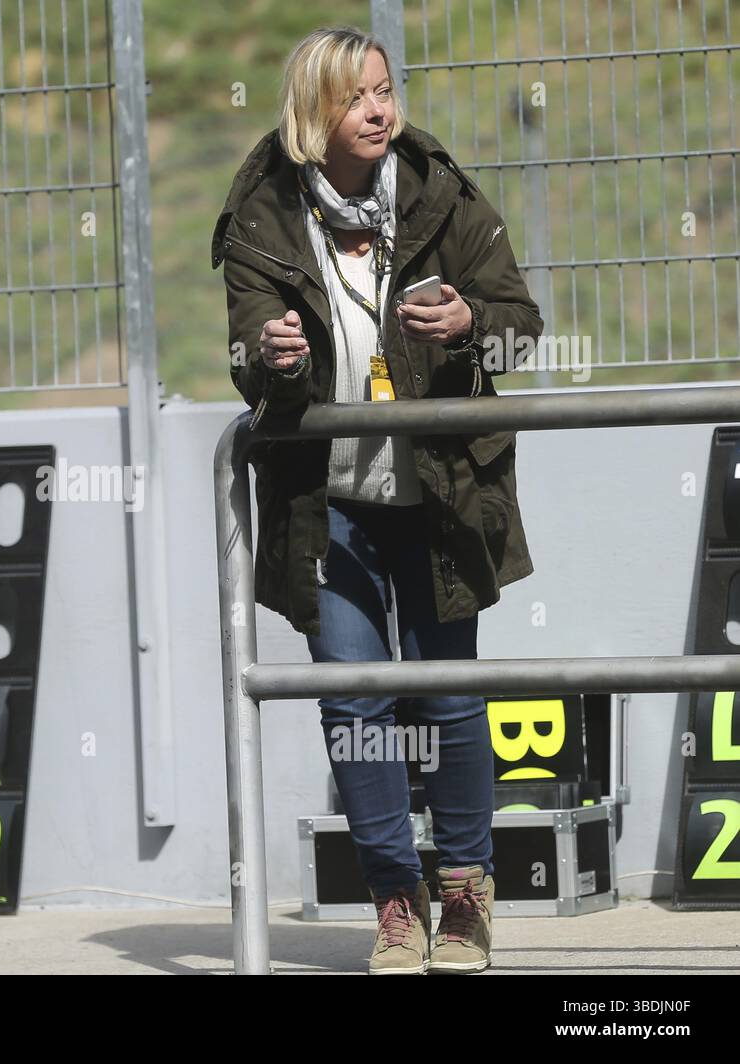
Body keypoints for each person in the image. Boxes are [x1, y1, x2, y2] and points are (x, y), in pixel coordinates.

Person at [212, 25, 543, 974]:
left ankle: (467, 897)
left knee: (451, 700)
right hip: (331, 505)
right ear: (315, 112)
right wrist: (273, 361)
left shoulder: (444, 195)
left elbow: (525, 336)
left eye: (386, 91)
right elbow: (246, 368)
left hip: (442, 493)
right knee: (356, 705)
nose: (379, 109)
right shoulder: (262, 217)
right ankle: (395, 902)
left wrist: (474, 324)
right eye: (357, 97)